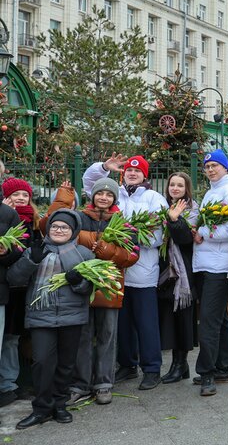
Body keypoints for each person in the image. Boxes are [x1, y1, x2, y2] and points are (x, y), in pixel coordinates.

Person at [40, 178, 137, 406]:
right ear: (92, 196)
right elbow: (49, 227)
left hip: (109, 285)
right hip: (79, 284)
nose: (104, 197)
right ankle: (80, 384)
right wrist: (91, 238)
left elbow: (132, 256)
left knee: (107, 335)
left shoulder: (123, 223)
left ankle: (104, 384)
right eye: (100, 193)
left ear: (114, 198)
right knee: (82, 336)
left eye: (109, 194)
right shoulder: (79, 217)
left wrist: (103, 248)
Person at [83, 154, 167, 391]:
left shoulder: (154, 198)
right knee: (123, 322)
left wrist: (128, 239)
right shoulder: (114, 193)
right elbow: (90, 183)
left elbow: (158, 235)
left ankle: (151, 368)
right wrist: (102, 168)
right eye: (129, 170)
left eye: (137, 171)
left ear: (144, 175)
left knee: (146, 322)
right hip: (114, 272)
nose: (132, 173)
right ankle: (127, 364)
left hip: (142, 271)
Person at [8, 210, 93, 429]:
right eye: (55, 226)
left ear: (73, 230)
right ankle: (41, 408)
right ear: (48, 228)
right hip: (40, 315)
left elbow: (89, 289)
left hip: (72, 316)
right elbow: (14, 278)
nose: (58, 230)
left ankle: (59, 405)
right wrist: (31, 262)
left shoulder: (83, 254)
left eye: (64, 227)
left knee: (66, 364)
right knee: (42, 362)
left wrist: (77, 281)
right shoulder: (36, 250)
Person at [192, 149, 228, 396]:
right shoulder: (211, 192)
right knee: (219, 317)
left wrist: (204, 234)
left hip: (221, 265)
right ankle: (223, 367)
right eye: (207, 167)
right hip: (207, 262)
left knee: (208, 320)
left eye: (215, 165)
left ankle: (207, 374)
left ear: (226, 167)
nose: (211, 170)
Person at [159, 173, 199, 385]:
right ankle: (178, 365)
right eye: (172, 184)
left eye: (180, 185)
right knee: (170, 318)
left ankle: (181, 363)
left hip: (184, 270)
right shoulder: (161, 205)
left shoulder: (193, 209)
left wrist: (174, 219)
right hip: (166, 270)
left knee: (183, 318)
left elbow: (185, 239)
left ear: (187, 188)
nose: (175, 188)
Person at [0, 178, 35, 407]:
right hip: (6, 285)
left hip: (23, 286)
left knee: (13, 336)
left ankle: (9, 383)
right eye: (16, 194)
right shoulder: (7, 216)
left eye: (25, 194)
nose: (21, 198)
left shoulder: (34, 220)